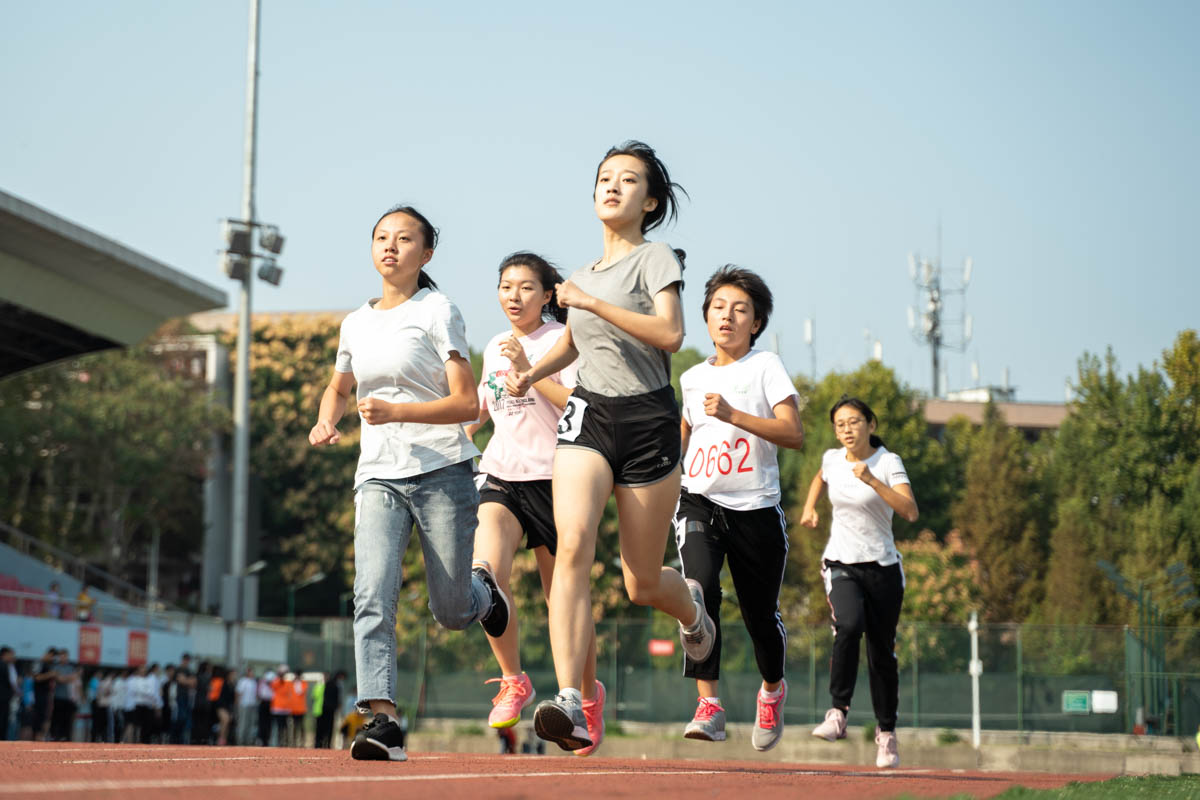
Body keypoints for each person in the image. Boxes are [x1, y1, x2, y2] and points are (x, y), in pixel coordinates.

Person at [506, 141, 716, 751]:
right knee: (570, 546)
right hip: (589, 415)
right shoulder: (584, 274)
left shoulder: (654, 260)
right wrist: (530, 370)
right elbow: (575, 346)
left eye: (627, 180)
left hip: (649, 421)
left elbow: (672, 334)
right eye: (604, 178)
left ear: (649, 201)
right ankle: (571, 698)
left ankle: (693, 615)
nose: (611, 187)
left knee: (640, 582)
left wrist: (591, 301)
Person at [309, 203, 509, 762]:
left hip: (442, 470)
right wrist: (328, 418)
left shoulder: (439, 310)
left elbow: (467, 402)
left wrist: (400, 414)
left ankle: (482, 592)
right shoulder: (356, 322)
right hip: (378, 475)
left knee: (449, 611)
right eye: (380, 238)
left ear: (427, 253)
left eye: (404, 239)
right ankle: (383, 720)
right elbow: (339, 387)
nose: (390, 247)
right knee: (372, 592)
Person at [465, 252, 604, 753]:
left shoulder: (562, 341)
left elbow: (577, 405)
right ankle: (512, 679)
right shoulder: (492, 346)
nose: (514, 296)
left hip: (559, 478)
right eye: (506, 287)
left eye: (526, 287)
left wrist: (529, 370)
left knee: (561, 599)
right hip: (501, 474)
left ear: (548, 295)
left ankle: (586, 700)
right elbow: (483, 409)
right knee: (483, 575)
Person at [673, 266, 804, 751]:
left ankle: (772, 690)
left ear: (756, 322)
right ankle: (710, 705)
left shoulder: (766, 367)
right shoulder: (690, 377)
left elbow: (794, 434)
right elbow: (679, 446)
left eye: (740, 309)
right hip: (699, 501)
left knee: (760, 617)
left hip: (756, 510)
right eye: (718, 308)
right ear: (706, 316)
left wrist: (734, 415)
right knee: (697, 595)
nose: (727, 316)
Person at [800, 395, 919, 769]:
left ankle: (886, 735)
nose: (846, 430)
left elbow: (910, 510)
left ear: (871, 424)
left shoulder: (888, 462)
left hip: (882, 567)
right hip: (841, 562)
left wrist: (871, 480)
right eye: (840, 424)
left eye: (853, 422)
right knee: (848, 626)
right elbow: (821, 478)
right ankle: (837, 713)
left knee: (881, 651)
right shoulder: (832, 459)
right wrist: (809, 508)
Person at [235, 666, 258, 746]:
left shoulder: (254, 682)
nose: (252, 674)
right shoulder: (243, 681)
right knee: (242, 723)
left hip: (252, 704)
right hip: (243, 704)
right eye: (251, 672)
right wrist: (237, 704)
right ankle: (240, 740)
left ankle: (248, 740)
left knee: (250, 723)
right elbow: (238, 693)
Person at [0, 646, 17, 741]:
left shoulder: (8, 666)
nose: (12, 656)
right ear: (4, 654)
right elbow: (11, 682)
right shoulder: (5, 666)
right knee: (3, 719)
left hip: (4, 696)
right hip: (4, 697)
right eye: (11, 654)